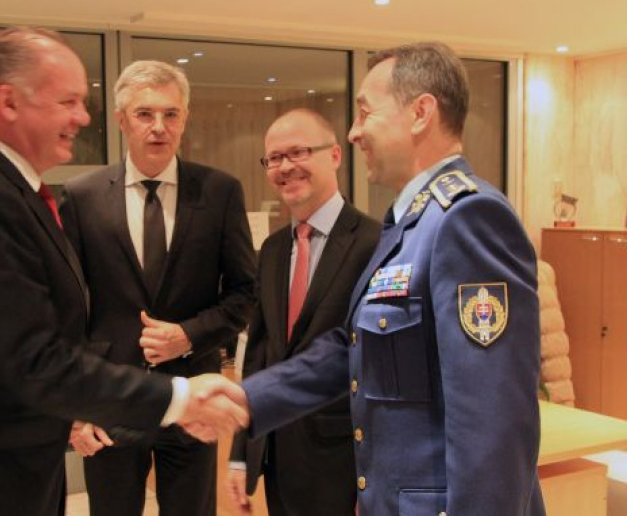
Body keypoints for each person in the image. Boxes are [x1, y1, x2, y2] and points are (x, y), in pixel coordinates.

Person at [0, 27, 246, 516]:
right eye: (68, 101)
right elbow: (34, 356)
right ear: (9, 102)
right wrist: (179, 397)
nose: (83, 117)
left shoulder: (5, 190)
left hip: (4, 462)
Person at [236, 42, 544, 515]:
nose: (354, 132)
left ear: (421, 113)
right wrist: (249, 398)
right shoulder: (409, 224)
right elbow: (354, 349)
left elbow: (493, 420)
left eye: (365, 113)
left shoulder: (467, 217)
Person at [61, 60, 256, 516]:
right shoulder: (82, 196)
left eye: (171, 114)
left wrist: (188, 335)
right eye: (145, 114)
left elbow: (245, 292)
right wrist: (73, 407)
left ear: (185, 119)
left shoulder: (220, 192)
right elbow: (66, 308)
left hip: (193, 399)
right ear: (122, 120)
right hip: (110, 399)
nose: (158, 127)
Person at [226, 110, 379, 516]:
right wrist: (241, 453)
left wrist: (377, 483)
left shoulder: (375, 243)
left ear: (335, 155)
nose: (285, 167)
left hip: (344, 463)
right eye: (274, 158)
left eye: (298, 152)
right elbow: (259, 355)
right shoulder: (272, 250)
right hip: (278, 457)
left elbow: (378, 367)